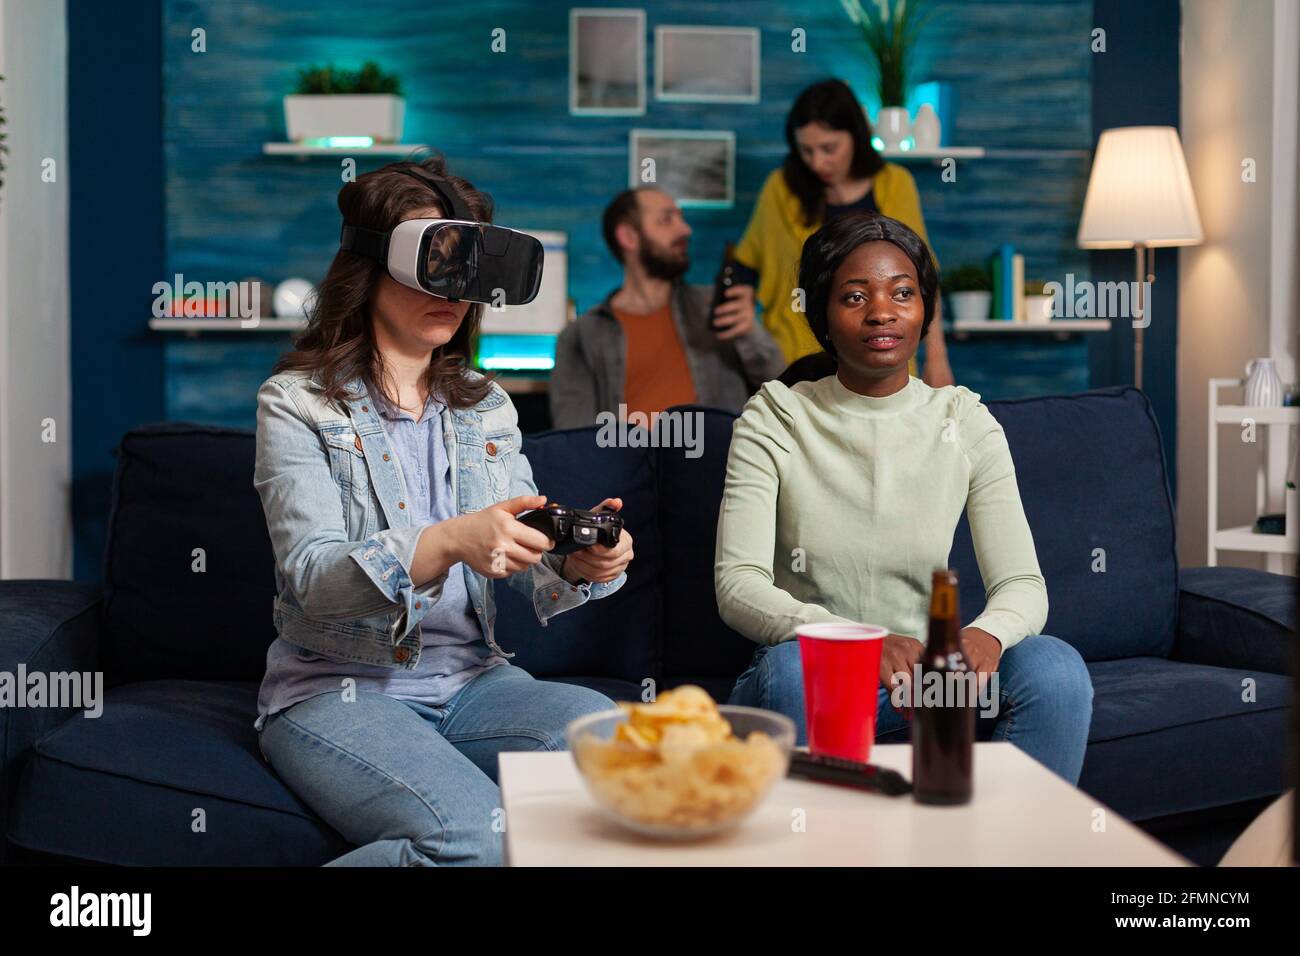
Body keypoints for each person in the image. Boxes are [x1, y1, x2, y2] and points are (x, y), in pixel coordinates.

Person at [253, 156, 635, 866]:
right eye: (437, 263)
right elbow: (312, 577)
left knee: (618, 763)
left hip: (475, 684)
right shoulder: (297, 403)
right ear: (370, 267)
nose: (455, 291)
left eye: (469, 270)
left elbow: (520, 553)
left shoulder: (486, 406)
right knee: (475, 837)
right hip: (339, 688)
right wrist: (451, 540)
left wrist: (579, 562)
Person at [715, 211, 1093, 784]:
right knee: (796, 671)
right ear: (822, 316)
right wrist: (861, 644)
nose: (882, 311)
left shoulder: (963, 419)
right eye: (855, 296)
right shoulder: (777, 416)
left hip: (929, 676)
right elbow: (737, 584)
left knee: (1055, 669)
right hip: (815, 664)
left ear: (925, 309)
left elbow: (1022, 584)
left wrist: (985, 634)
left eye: (902, 293)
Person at [732, 78, 955, 387]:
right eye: (806, 151)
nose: (818, 162)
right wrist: (744, 321)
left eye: (829, 148)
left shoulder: (895, 184)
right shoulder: (780, 189)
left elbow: (924, 278)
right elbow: (744, 267)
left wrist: (937, 359)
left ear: (855, 136)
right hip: (795, 366)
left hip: (884, 360)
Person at [550, 187, 785, 429]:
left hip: (717, 462)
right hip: (628, 463)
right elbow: (574, 437)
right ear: (629, 237)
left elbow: (780, 390)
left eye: (681, 218)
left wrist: (751, 336)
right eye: (666, 220)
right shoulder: (580, 336)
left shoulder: (714, 307)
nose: (685, 229)